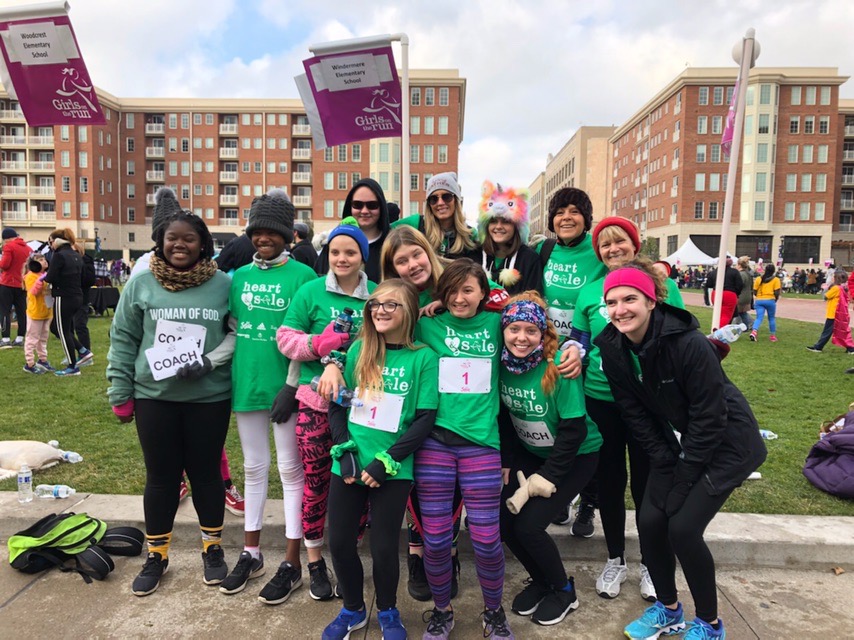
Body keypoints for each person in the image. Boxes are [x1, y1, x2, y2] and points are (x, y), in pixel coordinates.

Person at [595, 264, 766, 640]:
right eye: (612, 302)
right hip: (676, 443)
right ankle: (668, 610)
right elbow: (634, 412)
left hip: (728, 442)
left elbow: (710, 418)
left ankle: (709, 624)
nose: (620, 309)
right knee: (650, 521)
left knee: (684, 528)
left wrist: (683, 479)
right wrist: (665, 460)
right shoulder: (610, 346)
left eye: (630, 299)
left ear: (651, 301)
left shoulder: (688, 344)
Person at [107, 210, 236, 596]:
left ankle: (212, 549)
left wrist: (208, 362)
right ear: (160, 242)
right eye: (171, 238)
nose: (179, 245)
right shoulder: (142, 282)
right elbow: (123, 338)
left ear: (204, 244)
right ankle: (157, 554)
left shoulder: (223, 284)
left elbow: (236, 335)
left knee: (207, 476)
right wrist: (120, 392)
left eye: (189, 239)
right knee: (161, 478)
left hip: (208, 398)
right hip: (154, 398)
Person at [568, 217, 687, 602]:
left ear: (635, 245)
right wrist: (570, 351)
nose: (612, 249)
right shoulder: (589, 292)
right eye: (604, 244)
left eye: (620, 241)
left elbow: (681, 336)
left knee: (647, 483)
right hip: (601, 398)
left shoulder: (662, 286)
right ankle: (615, 557)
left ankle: (652, 563)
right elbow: (579, 340)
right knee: (610, 481)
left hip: (648, 401)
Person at [322, 280, 439, 640]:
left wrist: (386, 462)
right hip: (350, 463)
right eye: (375, 304)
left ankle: (388, 609)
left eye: (391, 305)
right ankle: (353, 609)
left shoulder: (424, 357)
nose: (381, 310)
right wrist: (346, 451)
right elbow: (338, 406)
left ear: (408, 312)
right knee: (340, 541)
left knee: (385, 546)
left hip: (394, 467)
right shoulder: (360, 351)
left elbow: (424, 419)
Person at [218, 191, 317, 603]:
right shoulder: (237, 277)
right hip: (247, 385)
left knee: (291, 472)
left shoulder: (304, 278)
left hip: (285, 391)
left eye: (272, 232)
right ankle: (252, 551)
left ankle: (292, 560)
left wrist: (291, 387)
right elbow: (233, 332)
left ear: (287, 235)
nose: (263, 238)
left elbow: (306, 338)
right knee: (254, 469)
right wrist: (207, 364)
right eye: (257, 231)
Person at [414, 258, 514, 640]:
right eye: (452, 290)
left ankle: (493, 613)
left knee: (487, 539)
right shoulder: (426, 325)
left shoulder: (497, 324)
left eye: (468, 290)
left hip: (481, 445)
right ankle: (442, 611)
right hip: (434, 444)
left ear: (483, 294)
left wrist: (573, 349)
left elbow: (532, 322)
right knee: (437, 539)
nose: (459, 297)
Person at [277, 219, 376, 601]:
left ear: (362, 257)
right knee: (316, 483)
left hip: (364, 408)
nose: (342, 258)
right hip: (316, 405)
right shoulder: (311, 291)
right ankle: (314, 559)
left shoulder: (376, 297)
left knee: (359, 484)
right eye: (335, 252)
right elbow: (285, 338)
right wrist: (320, 344)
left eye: (350, 252)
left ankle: (347, 556)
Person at [499, 292, 601, 627]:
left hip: (575, 456)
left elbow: (573, 431)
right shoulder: (502, 367)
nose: (522, 338)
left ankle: (563, 589)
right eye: (514, 329)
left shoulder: (559, 367)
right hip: (530, 453)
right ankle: (541, 581)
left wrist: (551, 476)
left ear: (543, 335)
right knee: (504, 522)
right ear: (503, 331)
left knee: (530, 526)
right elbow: (507, 422)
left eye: (531, 331)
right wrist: (509, 462)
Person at [536, 187, 607, 534]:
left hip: (587, 357)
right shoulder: (543, 250)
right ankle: (562, 495)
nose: (567, 217)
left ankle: (588, 504)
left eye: (575, 211)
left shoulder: (598, 251)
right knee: (558, 428)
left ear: (586, 218)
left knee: (590, 433)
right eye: (560, 211)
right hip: (548, 356)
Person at [470, 180, 543, 296]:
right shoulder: (474, 255)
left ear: (517, 227)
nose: (498, 227)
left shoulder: (529, 259)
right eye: (493, 221)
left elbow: (533, 300)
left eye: (506, 222)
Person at [315, 178, 390, 283]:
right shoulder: (333, 244)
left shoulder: (392, 245)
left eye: (372, 205)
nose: (364, 211)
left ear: (381, 207)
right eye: (357, 205)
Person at [393, 172, 477, 260]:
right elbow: (382, 232)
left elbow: (476, 270)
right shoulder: (416, 223)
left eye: (446, 197)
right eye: (433, 199)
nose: (440, 203)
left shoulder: (470, 235)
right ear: (429, 204)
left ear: (456, 200)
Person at [43, 228, 86, 376]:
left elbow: (51, 277)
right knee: (59, 328)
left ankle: (72, 365)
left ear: (56, 241)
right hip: (77, 296)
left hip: (63, 296)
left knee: (63, 331)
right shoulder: (75, 255)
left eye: (51, 241)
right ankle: (82, 350)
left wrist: (43, 276)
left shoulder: (59, 256)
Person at [807, 270, 854, 354]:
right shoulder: (843, 288)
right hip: (838, 314)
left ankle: (818, 347)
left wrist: (825, 288)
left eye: (833, 276)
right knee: (841, 332)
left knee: (827, 332)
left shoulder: (836, 288)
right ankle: (850, 348)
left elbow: (825, 297)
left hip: (833, 314)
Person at [22, 255, 53, 373]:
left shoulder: (45, 275)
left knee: (43, 338)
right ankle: (29, 363)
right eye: (40, 260)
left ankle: (43, 360)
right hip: (35, 312)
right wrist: (41, 280)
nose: (44, 261)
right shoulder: (30, 276)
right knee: (32, 338)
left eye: (44, 259)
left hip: (46, 312)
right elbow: (34, 291)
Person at [0, 227, 30, 347]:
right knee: (21, 311)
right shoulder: (28, 248)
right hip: (22, 283)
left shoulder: (9, 247)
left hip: (8, 283)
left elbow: (5, 265)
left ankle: (6, 338)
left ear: (6, 239)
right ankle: (20, 338)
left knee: (4, 310)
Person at [703, 256, 742, 328]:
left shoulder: (713, 272)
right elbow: (739, 285)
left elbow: (709, 284)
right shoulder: (734, 272)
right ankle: (718, 330)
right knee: (726, 315)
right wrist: (737, 293)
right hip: (729, 294)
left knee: (718, 314)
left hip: (716, 293)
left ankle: (718, 328)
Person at [750, 264, 781, 342]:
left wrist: (758, 296)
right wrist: (775, 299)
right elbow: (777, 292)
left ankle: (754, 331)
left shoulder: (758, 279)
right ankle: (772, 336)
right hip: (770, 299)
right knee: (771, 318)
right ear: (773, 271)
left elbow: (754, 290)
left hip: (759, 300)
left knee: (759, 318)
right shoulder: (776, 280)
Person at [735, 257, 753, 328]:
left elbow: (739, 285)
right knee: (742, 312)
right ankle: (746, 325)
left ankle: (747, 325)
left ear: (739, 265)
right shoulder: (748, 274)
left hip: (741, 296)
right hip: (747, 295)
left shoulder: (741, 274)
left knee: (739, 312)